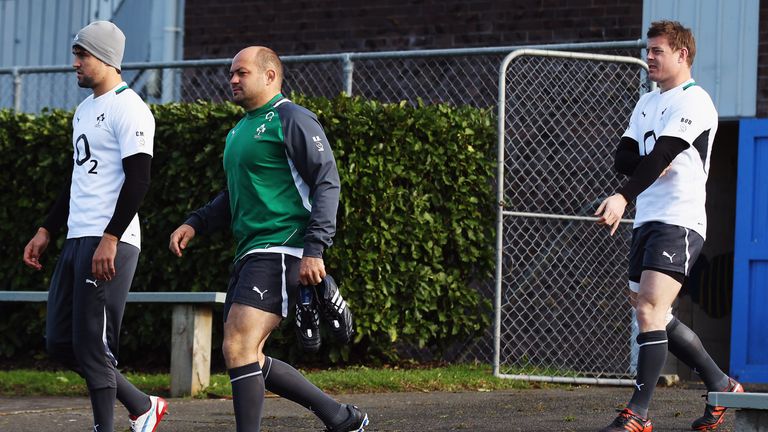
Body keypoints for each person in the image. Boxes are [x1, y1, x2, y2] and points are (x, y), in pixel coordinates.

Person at [168, 46, 368, 432]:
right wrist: (196, 223)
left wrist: (315, 249)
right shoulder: (238, 131)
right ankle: (340, 417)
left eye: (241, 73)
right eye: (231, 73)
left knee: (238, 345)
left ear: (270, 75)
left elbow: (327, 181)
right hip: (250, 251)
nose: (232, 79)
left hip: (281, 246)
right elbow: (235, 193)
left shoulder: (292, 118)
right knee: (250, 356)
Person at [595, 20, 742, 432]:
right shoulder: (647, 102)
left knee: (649, 308)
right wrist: (647, 168)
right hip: (648, 218)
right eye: (649, 50)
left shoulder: (695, 101)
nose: (649, 58)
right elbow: (623, 158)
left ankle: (638, 414)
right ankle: (721, 383)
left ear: (682, 54)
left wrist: (623, 196)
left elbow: (662, 155)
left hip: (680, 219)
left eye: (657, 51)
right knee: (654, 311)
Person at [22, 21, 167, 432]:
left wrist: (111, 236)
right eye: (76, 54)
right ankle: (142, 405)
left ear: (106, 58)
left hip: (110, 241)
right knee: (60, 342)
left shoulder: (130, 108)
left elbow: (139, 180)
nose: (75, 63)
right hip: (76, 238)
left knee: (93, 346)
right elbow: (78, 177)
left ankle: (108, 426)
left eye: (82, 55)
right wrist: (47, 229)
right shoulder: (84, 111)